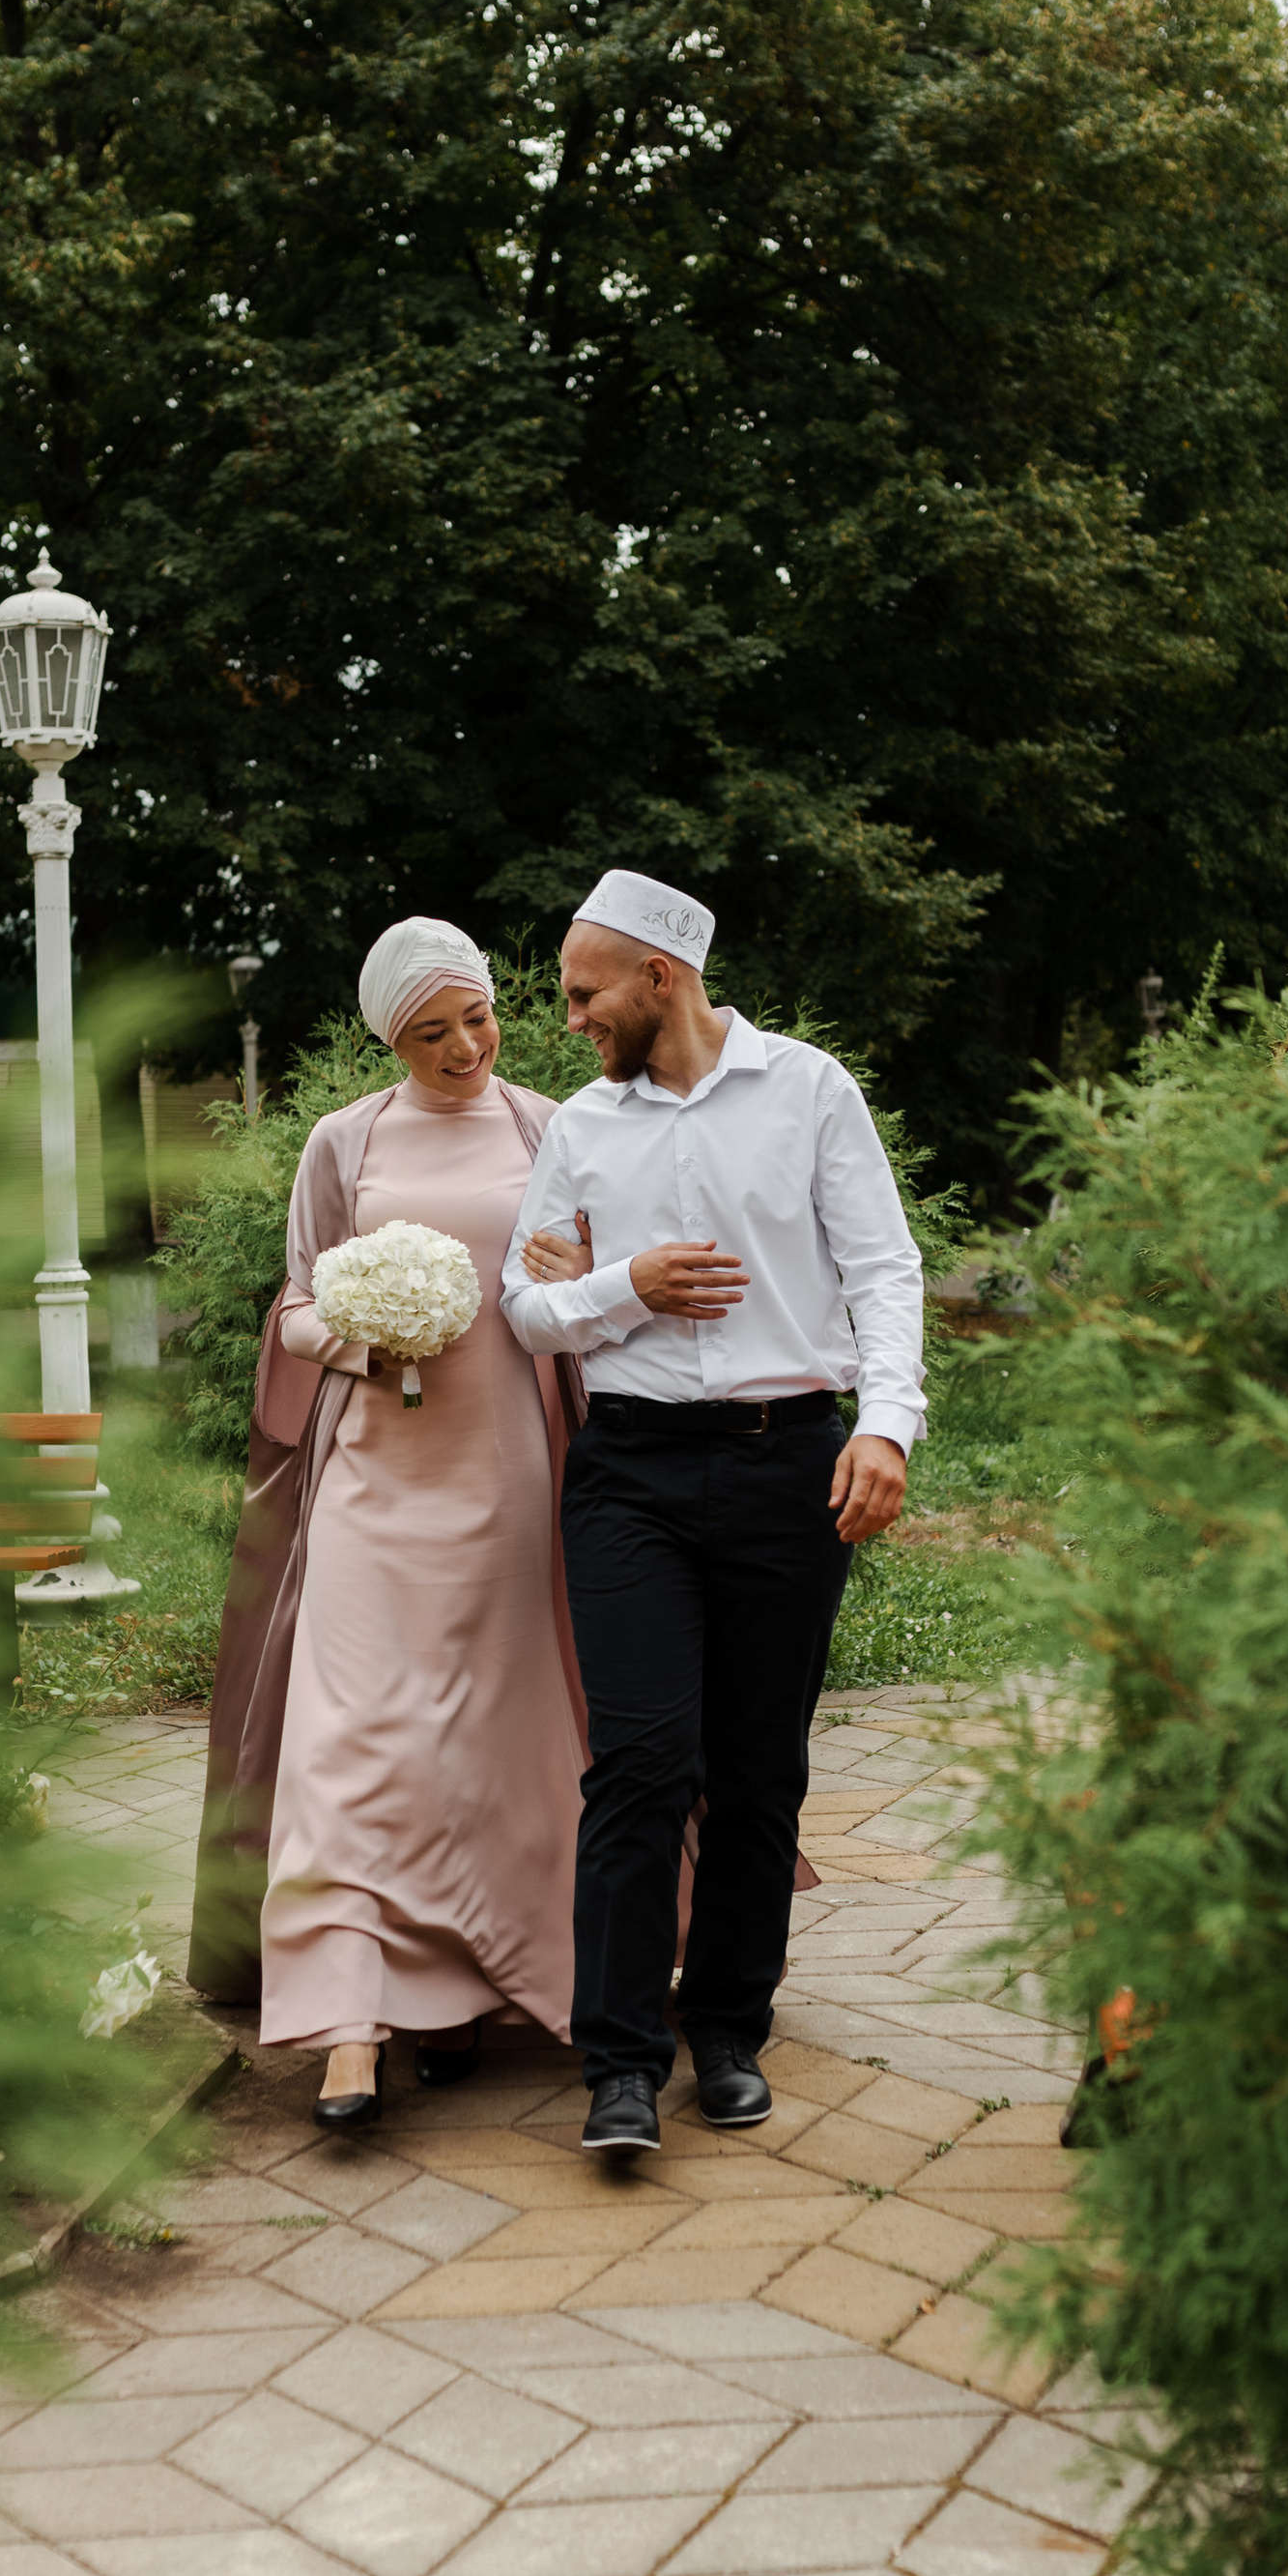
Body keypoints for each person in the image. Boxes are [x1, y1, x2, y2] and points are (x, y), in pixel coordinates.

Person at [504, 869, 924, 2154]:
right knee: (639, 1762)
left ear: (659, 979)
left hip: (786, 1461)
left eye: (584, 993)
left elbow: (881, 1265)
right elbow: (527, 1305)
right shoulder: (579, 1126)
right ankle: (619, 2063)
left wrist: (887, 1424)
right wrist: (624, 1284)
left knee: (757, 1766)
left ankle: (730, 2028)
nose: (570, 1018)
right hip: (626, 1469)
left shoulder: (809, 1091)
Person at [195, 918, 588, 2130]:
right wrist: (369, 1333)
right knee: (349, 1740)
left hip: (509, 1473)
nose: (464, 1046)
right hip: (374, 1481)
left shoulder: (550, 1128)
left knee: (486, 1742)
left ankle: (464, 1994)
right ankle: (351, 2032)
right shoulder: (343, 1140)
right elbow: (297, 1311)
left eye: (475, 1017)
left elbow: (588, 1292)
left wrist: (576, 1275)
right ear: (389, 1039)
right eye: (431, 1033)